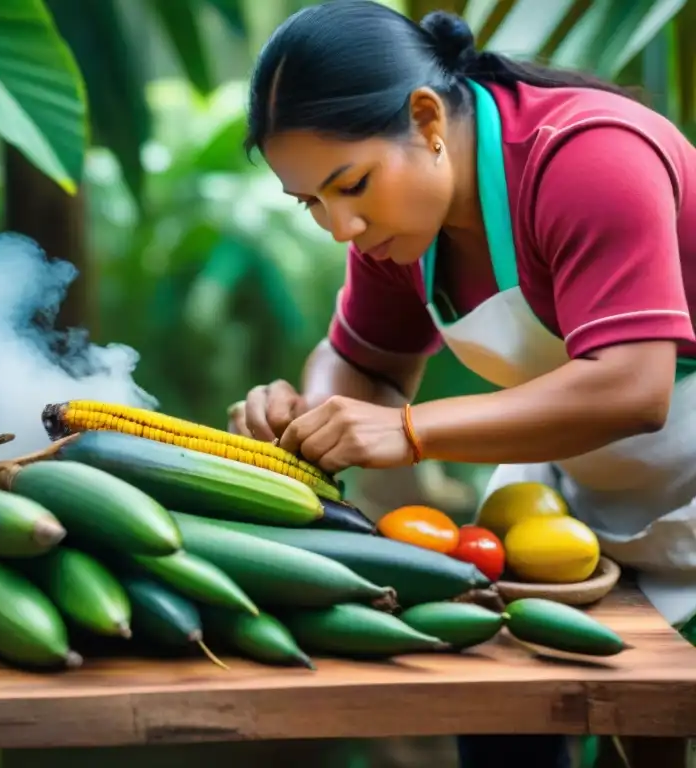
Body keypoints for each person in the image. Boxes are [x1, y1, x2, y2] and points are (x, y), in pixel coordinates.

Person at [230, 1, 696, 766]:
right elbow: (367, 364)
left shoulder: (587, 157)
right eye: (312, 202)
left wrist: (411, 431)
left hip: (689, 482)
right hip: (567, 498)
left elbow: (634, 387)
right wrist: (314, 418)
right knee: (504, 718)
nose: (340, 228)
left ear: (424, 118)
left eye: (351, 185)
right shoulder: (398, 224)